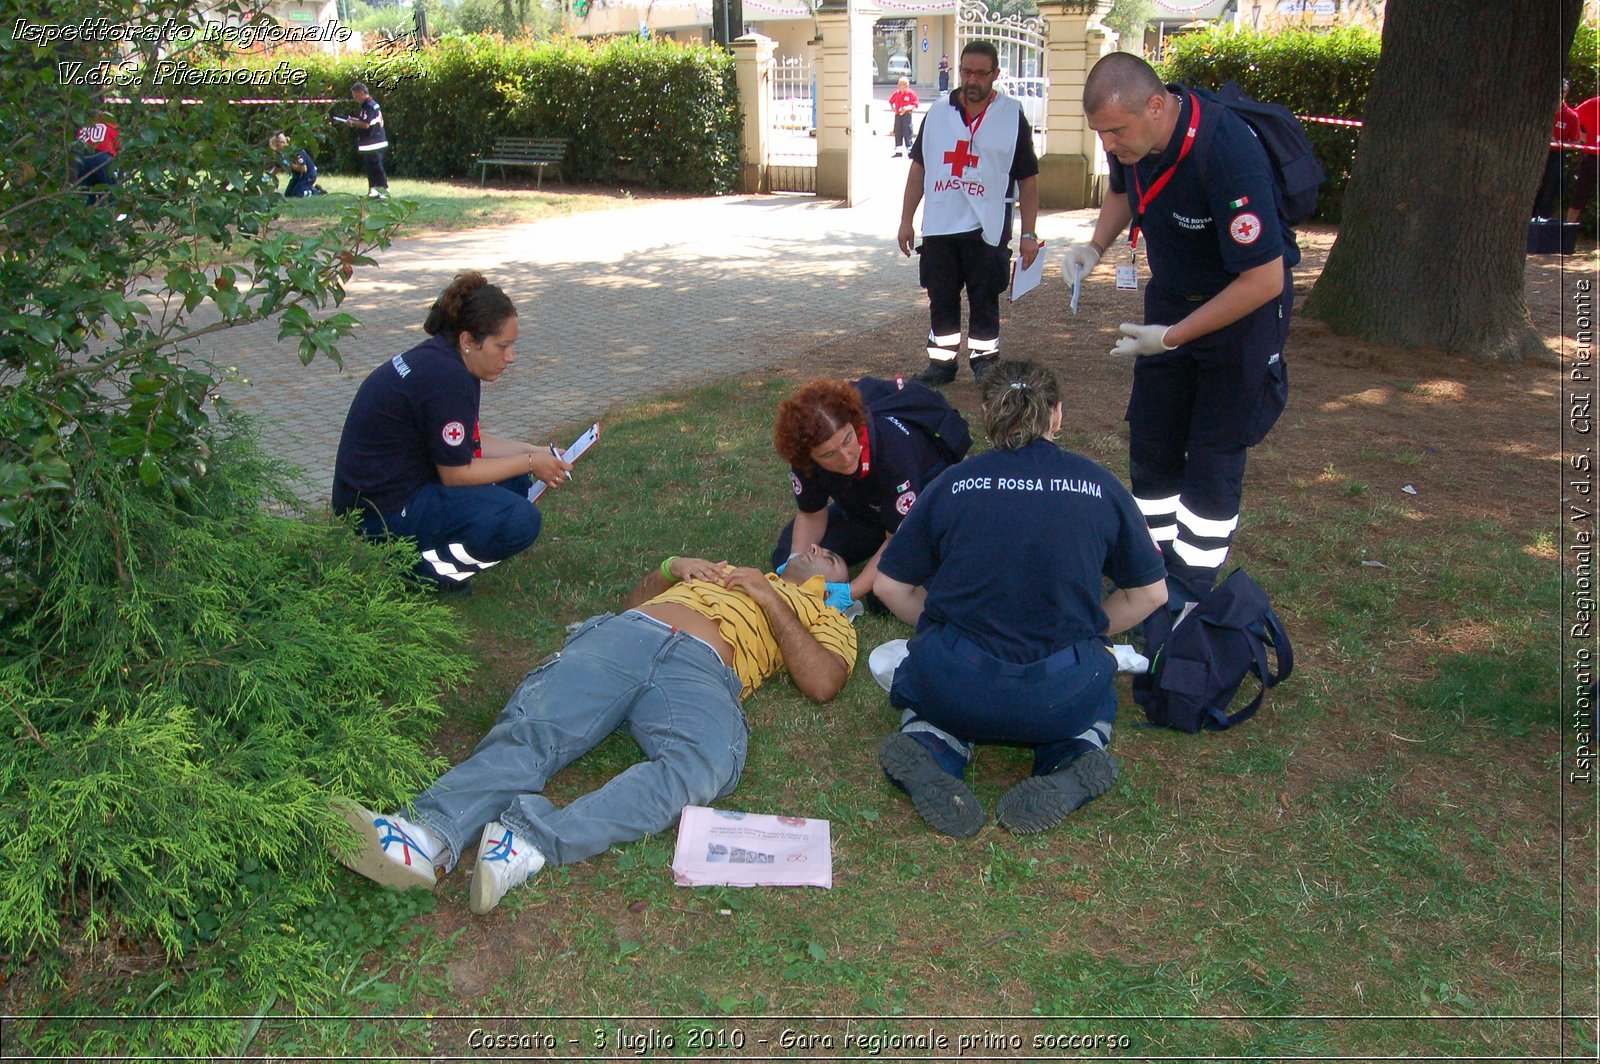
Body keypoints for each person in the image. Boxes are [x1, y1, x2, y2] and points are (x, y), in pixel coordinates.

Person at [332, 544, 857, 914]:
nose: (816, 547)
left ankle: (528, 842)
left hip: (704, 672)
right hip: (629, 634)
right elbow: (632, 604)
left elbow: (822, 681)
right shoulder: (725, 567)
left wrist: (770, 598)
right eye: (811, 544)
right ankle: (423, 836)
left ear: (835, 583)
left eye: (830, 554)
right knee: (539, 726)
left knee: (701, 768)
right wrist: (671, 568)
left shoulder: (828, 614)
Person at [871, 361, 1167, 838]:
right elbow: (1151, 593)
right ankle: (1073, 756)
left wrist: (944, 626)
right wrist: (1090, 630)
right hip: (1060, 693)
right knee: (1093, 690)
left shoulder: (951, 484)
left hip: (957, 683)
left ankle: (930, 746)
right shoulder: (1100, 485)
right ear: (1057, 416)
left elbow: (888, 587)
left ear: (988, 413)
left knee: (922, 682)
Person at [1066, 52, 1298, 601]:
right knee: (1153, 441)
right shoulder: (1133, 141)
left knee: (1214, 455)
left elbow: (1264, 280)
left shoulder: (1227, 151)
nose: (1110, 147)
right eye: (1101, 135)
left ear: (1156, 105)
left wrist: (1171, 337)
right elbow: (1123, 190)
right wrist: (1094, 246)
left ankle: (1191, 583)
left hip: (1238, 315)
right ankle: (1152, 564)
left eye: (1116, 132)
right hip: (1171, 301)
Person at [331, 271, 572, 590]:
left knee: (512, 480)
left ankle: (423, 555)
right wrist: (530, 463)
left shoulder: (444, 359)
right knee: (521, 520)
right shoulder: (448, 381)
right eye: (502, 347)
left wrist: (533, 451)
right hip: (379, 514)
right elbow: (456, 474)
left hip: (384, 494)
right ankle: (421, 573)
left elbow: (467, 442)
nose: (511, 357)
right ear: (469, 341)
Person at [898, 40, 1040, 388]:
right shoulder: (938, 113)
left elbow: (1028, 179)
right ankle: (942, 363)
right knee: (941, 297)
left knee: (984, 298)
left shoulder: (1011, 116)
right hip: (941, 226)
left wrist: (1029, 234)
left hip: (987, 227)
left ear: (994, 74)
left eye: (980, 73)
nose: (972, 79)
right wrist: (906, 220)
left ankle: (985, 363)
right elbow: (918, 169)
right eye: (966, 71)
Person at [772, 377, 968, 602]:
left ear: (854, 425)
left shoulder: (893, 452)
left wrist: (852, 591)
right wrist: (795, 565)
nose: (845, 458)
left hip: (916, 522)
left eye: (847, 440)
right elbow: (812, 514)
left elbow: (897, 538)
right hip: (867, 513)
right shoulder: (805, 460)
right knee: (784, 555)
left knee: (880, 594)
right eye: (828, 454)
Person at [1534, 82, 1581, 219]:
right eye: (1559, 89)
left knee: (1550, 189)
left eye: (1564, 91)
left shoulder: (1571, 116)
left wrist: (1558, 142)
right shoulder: (1538, 109)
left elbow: (1576, 143)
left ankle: (1543, 221)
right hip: (1534, 155)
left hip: (1555, 155)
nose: (1561, 93)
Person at [340, 82, 389, 199]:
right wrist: (354, 119)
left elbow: (366, 125)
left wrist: (352, 123)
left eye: (355, 95)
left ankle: (384, 189)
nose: (354, 98)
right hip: (370, 143)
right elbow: (366, 120)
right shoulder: (368, 106)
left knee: (376, 167)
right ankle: (373, 189)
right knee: (370, 167)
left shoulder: (369, 106)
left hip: (374, 142)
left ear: (361, 93)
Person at [75, 111, 120, 204]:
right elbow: (118, 146)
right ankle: (110, 212)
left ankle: (86, 212)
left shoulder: (84, 126)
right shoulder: (111, 127)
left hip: (82, 158)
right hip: (102, 158)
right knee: (110, 191)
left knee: (86, 192)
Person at [1569, 94, 1598, 226]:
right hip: (1592, 157)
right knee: (1578, 198)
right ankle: (1567, 232)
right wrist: (1581, 135)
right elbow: (1573, 116)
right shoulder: (1593, 104)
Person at [269, 132, 325, 198]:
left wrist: (289, 165)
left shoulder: (295, 151)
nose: (276, 149)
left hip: (308, 175)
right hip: (297, 176)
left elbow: (304, 169)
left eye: (277, 146)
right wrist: (268, 176)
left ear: (283, 143)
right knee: (288, 194)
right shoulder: (282, 154)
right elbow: (277, 167)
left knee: (297, 194)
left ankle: (316, 191)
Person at [890, 77, 919, 158]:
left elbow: (915, 104)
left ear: (907, 86)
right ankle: (898, 152)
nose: (901, 87)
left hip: (907, 115)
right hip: (898, 115)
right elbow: (891, 101)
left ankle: (910, 152)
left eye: (903, 85)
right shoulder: (896, 93)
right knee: (898, 132)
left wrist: (907, 108)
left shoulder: (911, 93)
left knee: (907, 132)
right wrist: (893, 109)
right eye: (899, 85)